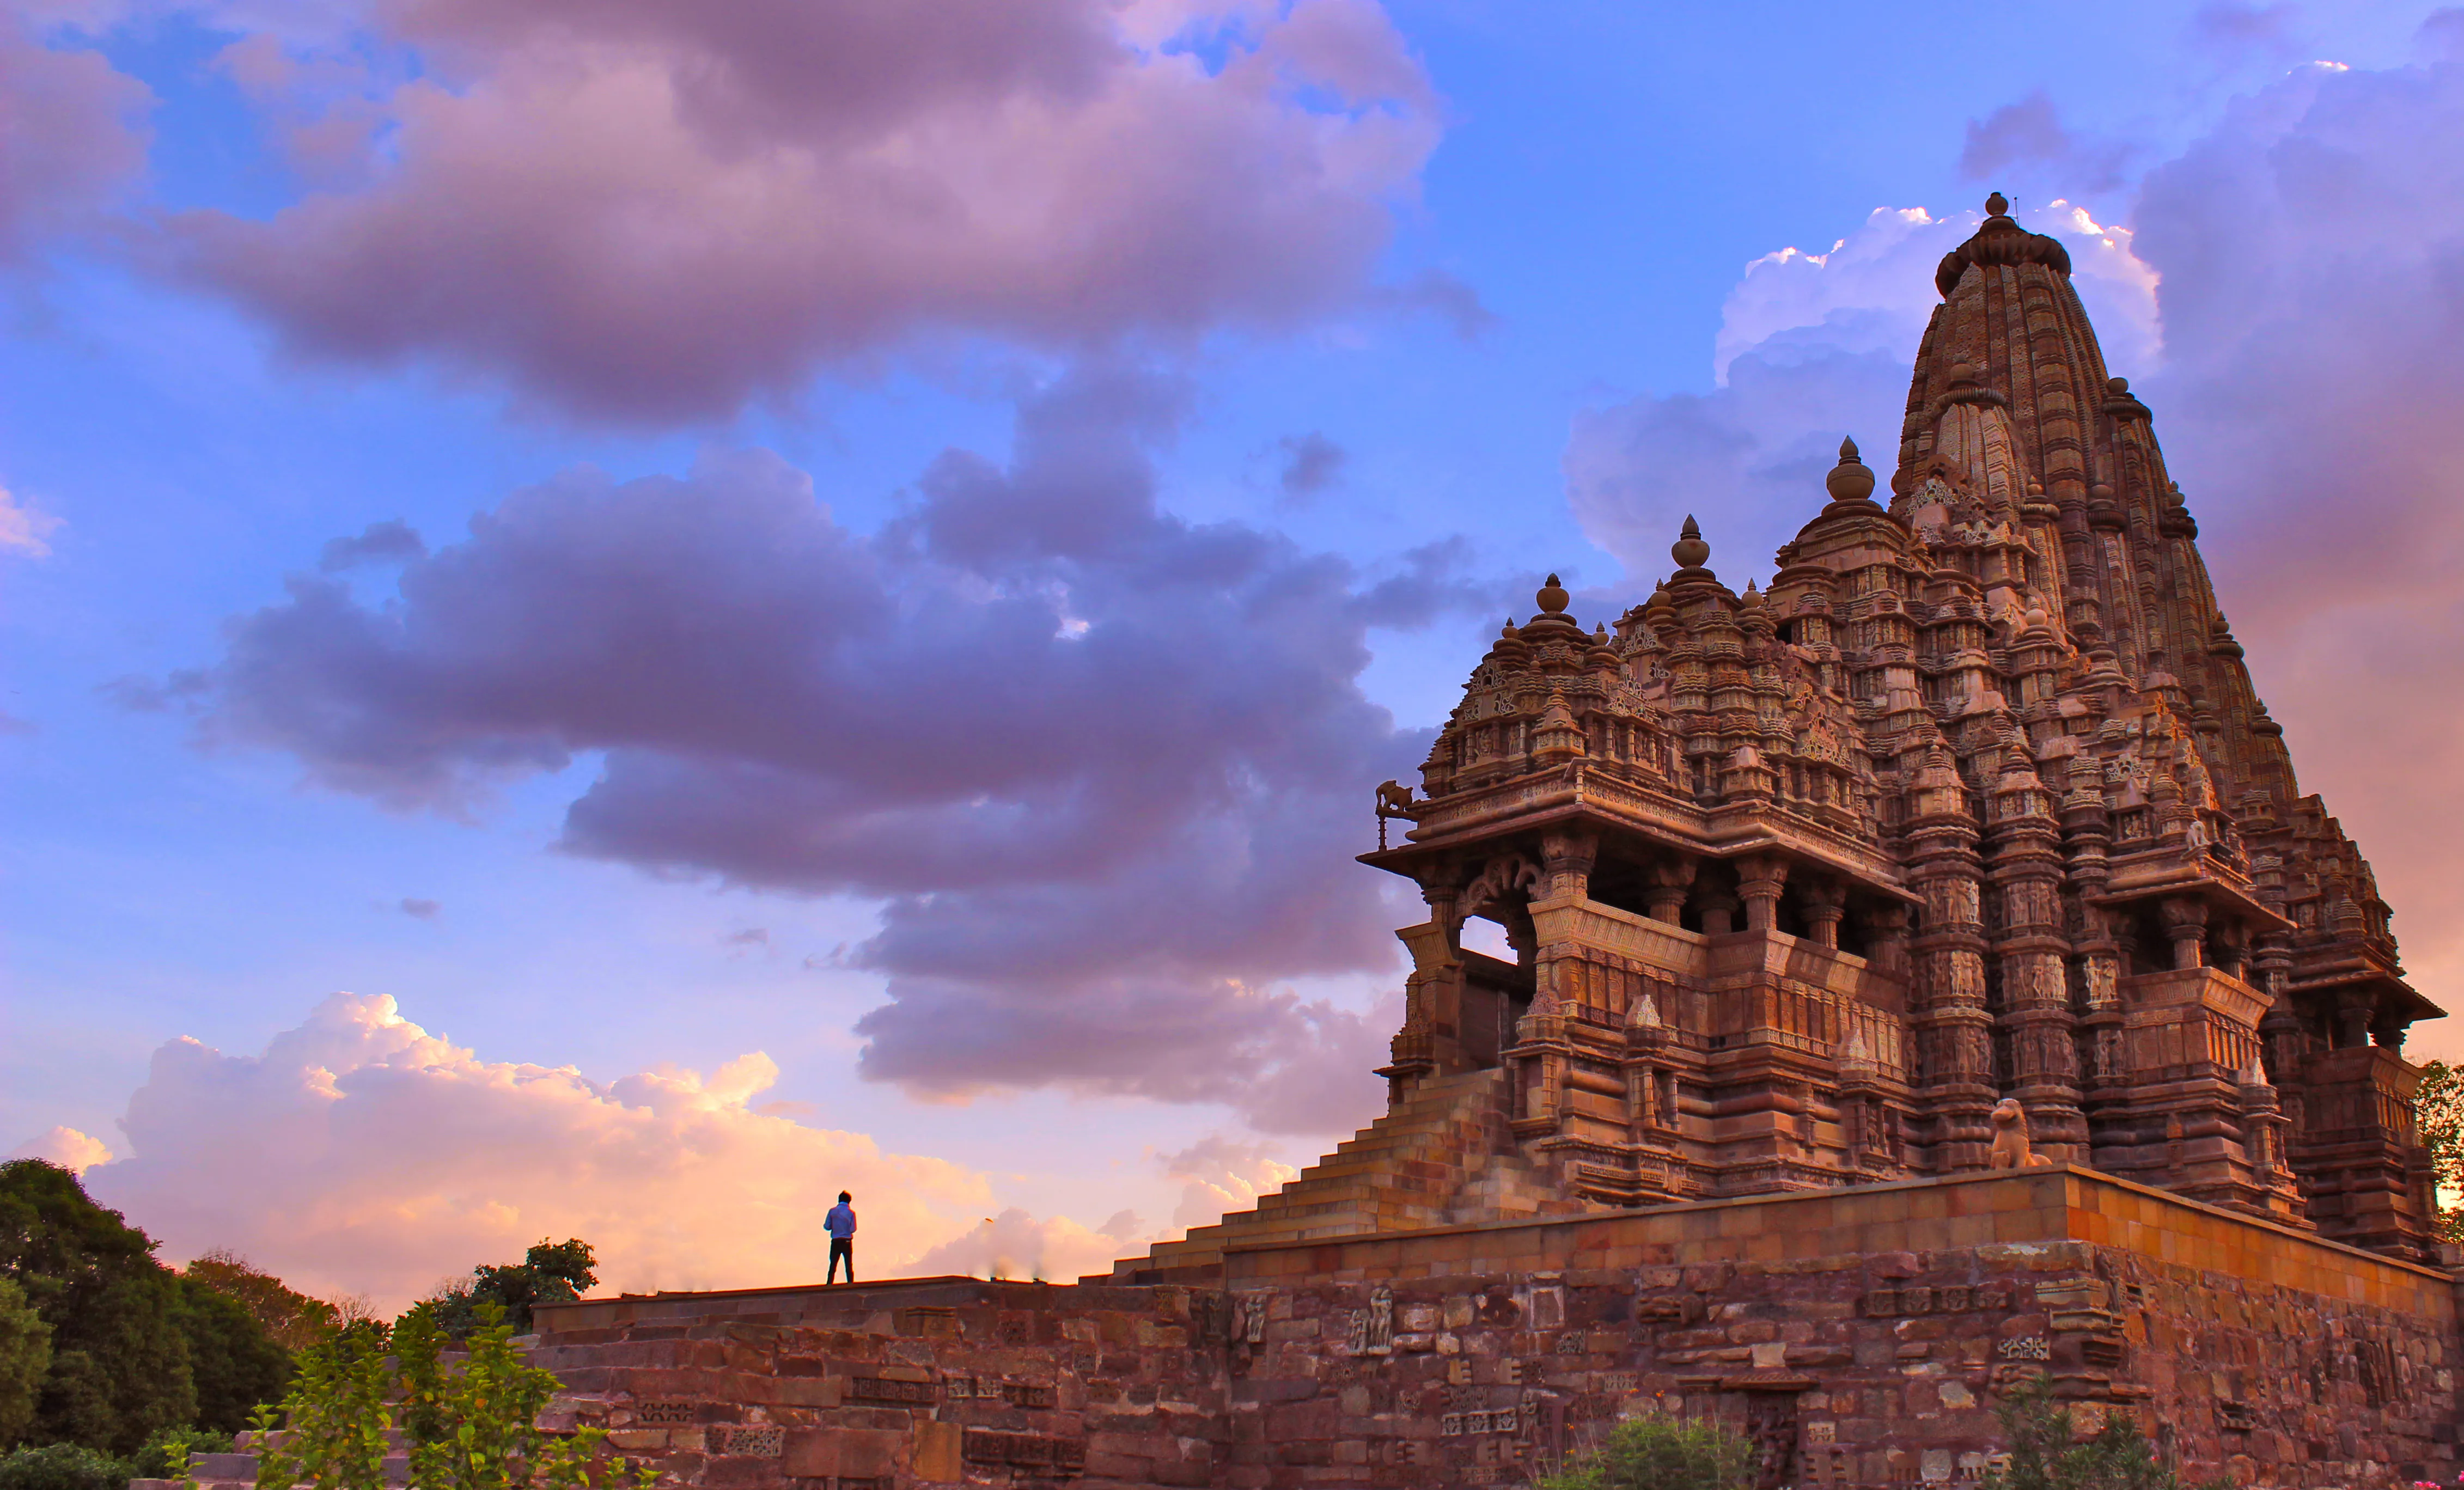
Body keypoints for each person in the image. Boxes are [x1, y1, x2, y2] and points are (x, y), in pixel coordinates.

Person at [825, 1190, 857, 1283]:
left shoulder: (832, 1211)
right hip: (847, 1241)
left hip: (836, 1241)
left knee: (833, 1265)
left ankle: (829, 1284)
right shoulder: (851, 1213)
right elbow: (853, 1229)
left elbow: (827, 1227)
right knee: (848, 1265)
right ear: (849, 1201)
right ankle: (850, 1283)